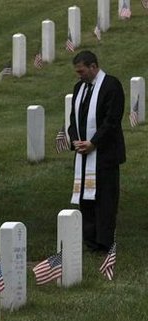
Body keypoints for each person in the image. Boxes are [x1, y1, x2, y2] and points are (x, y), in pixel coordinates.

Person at [68, 50, 126, 252]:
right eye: (77, 72)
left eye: (82, 71)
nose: (79, 75)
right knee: (86, 199)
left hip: (105, 155)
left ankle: (105, 242)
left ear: (93, 66)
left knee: (105, 200)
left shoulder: (111, 86)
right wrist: (76, 141)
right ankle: (90, 240)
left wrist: (93, 143)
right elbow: (72, 120)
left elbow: (111, 121)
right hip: (83, 155)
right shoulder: (79, 88)